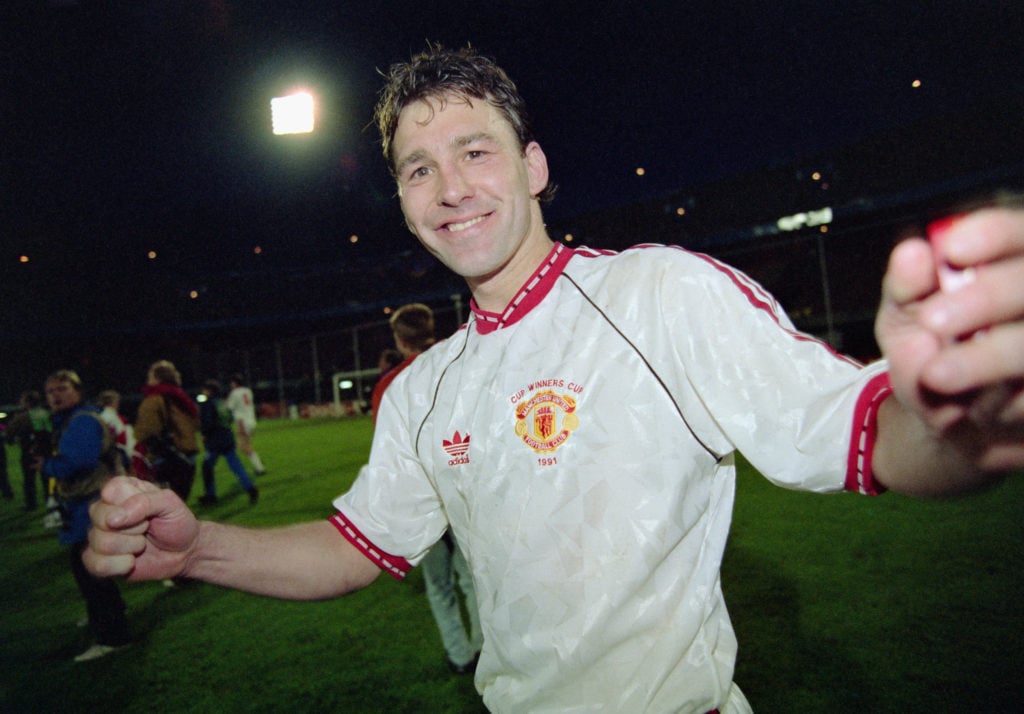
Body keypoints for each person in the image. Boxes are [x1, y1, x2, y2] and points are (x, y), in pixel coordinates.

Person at [85, 45, 1024, 713]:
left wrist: (958, 419)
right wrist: (197, 548)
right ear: (406, 208)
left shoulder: (657, 292)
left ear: (534, 168)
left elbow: (867, 433)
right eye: (419, 169)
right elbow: (354, 549)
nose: (450, 186)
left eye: (476, 151)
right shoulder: (424, 391)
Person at [372, 303, 482, 675]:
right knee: (472, 576)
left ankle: (460, 654)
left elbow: (387, 451)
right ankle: (483, 647)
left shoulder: (389, 384)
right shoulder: (460, 362)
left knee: (439, 584)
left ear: (400, 340)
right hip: (465, 488)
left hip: (423, 497)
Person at [38, 370, 130, 662]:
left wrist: (47, 465)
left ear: (77, 391)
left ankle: (112, 636)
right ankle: (107, 616)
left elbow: (77, 462)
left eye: (62, 389)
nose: (55, 395)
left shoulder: (81, 421)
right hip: (90, 502)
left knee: (90, 571)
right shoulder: (77, 419)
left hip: (90, 503)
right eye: (50, 391)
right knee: (93, 570)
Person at [133, 360, 200, 501]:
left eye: (150, 377)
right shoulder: (182, 398)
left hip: (167, 459)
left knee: (163, 510)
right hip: (189, 456)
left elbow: (145, 432)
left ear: (157, 378)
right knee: (180, 503)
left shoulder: (154, 399)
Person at [197, 379, 259, 506]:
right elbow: (229, 418)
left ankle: (210, 495)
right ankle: (250, 488)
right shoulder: (222, 403)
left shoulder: (208, 403)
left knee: (207, 466)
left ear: (209, 391)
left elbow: (207, 422)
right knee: (236, 465)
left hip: (215, 440)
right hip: (227, 437)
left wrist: (204, 434)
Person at [5, 390, 52, 511]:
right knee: (47, 478)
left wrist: (11, 440)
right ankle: (50, 502)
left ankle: (31, 504)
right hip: (47, 450)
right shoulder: (47, 413)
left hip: (29, 450)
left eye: (23, 400)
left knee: (29, 479)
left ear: (27, 402)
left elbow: (10, 433)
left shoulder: (22, 417)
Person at [226, 374, 266, 476]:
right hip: (251, 420)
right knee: (247, 445)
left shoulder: (234, 393)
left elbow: (229, 407)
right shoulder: (248, 391)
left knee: (243, 447)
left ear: (234, 383)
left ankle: (259, 467)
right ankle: (258, 464)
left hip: (242, 422)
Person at [97, 390, 136, 475]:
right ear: (113, 402)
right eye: (117, 402)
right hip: (116, 454)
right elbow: (121, 437)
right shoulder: (111, 417)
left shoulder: (105, 416)